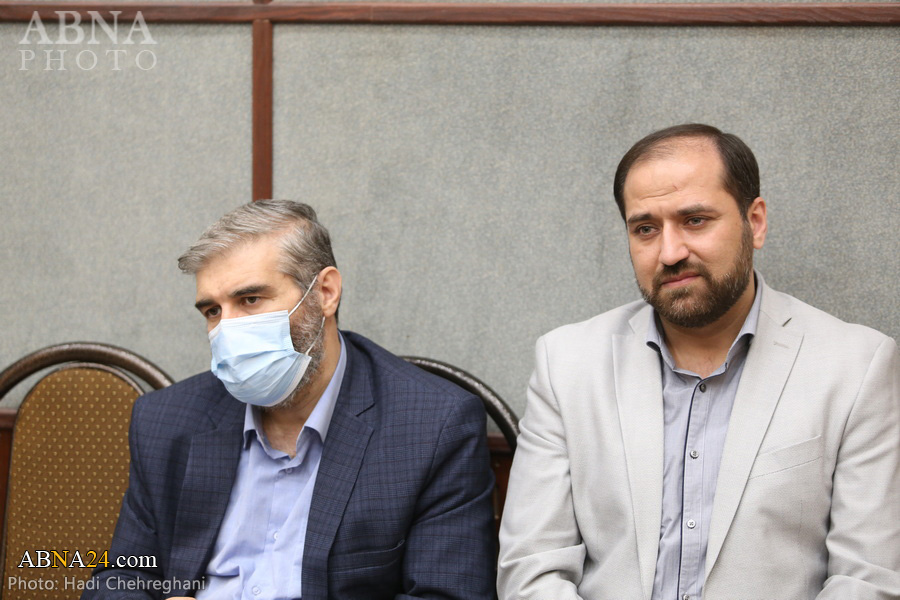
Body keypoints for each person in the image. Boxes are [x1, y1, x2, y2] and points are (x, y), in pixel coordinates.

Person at [497, 124, 900, 600]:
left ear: (755, 223)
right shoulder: (567, 364)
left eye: (695, 220)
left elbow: (866, 579)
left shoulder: (857, 366)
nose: (670, 253)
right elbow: (532, 570)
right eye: (645, 229)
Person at [85, 200, 496, 600]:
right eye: (212, 311)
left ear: (326, 293)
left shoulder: (433, 425)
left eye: (250, 300)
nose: (227, 330)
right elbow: (119, 577)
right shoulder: (166, 419)